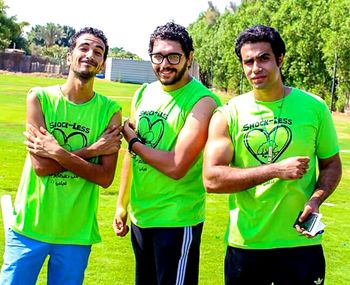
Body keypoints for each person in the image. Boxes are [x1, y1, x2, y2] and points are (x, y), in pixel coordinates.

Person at [203, 25, 342, 285]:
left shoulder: (314, 107)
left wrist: (316, 200)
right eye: (248, 61)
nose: (255, 68)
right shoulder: (228, 114)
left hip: (299, 242)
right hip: (247, 244)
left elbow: (332, 164)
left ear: (280, 58)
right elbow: (212, 179)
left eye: (263, 58)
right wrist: (276, 169)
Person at [0, 27, 122, 285]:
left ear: (101, 64)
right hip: (29, 227)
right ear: (69, 56)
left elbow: (104, 177)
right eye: (84, 47)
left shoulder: (110, 110)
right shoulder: (39, 98)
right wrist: (91, 151)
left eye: (98, 51)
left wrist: (57, 152)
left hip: (75, 233)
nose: (90, 54)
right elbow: (41, 167)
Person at [112, 22, 221, 285]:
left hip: (176, 220)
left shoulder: (202, 101)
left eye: (174, 56)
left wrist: (134, 141)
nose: (165, 64)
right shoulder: (144, 92)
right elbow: (130, 154)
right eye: (158, 56)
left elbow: (177, 166)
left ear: (189, 57)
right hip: (141, 217)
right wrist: (121, 204)